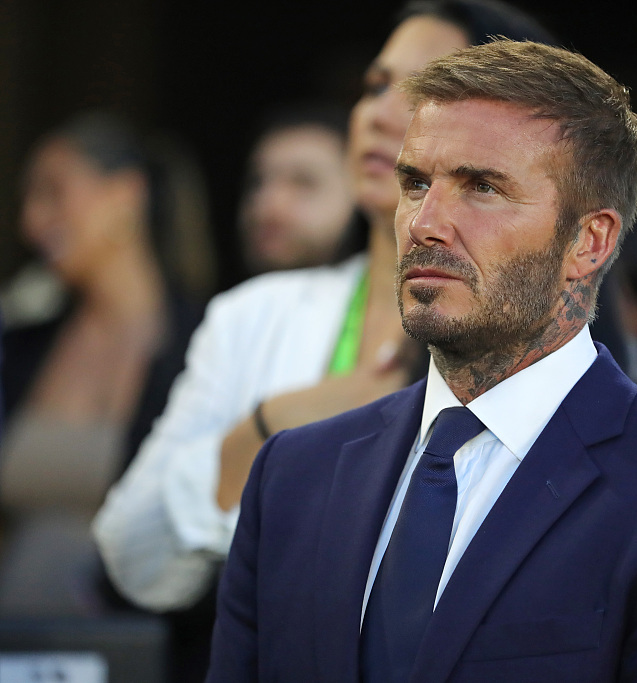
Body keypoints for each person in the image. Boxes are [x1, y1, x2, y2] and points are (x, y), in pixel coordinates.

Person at [206, 39, 637, 682]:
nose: (425, 223)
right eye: (415, 183)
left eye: (482, 187)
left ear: (589, 241)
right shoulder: (293, 477)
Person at [93, 0, 566, 615]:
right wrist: (269, 426)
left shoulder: (549, 338)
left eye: (428, 90)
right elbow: (129, 558)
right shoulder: (256, 316)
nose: (380, 112)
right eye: (375, 85)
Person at [0, 111, 207, 615]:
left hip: (139, 648)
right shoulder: (21, 345)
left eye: (53, 192)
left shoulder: (202, 343)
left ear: (125, 195)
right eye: (28, 199)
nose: (32, 220)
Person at [237, 103, 359, 274]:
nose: (267, 204)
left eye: (303, 182)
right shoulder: (232, 300)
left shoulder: (395, 295)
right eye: (257, 182)